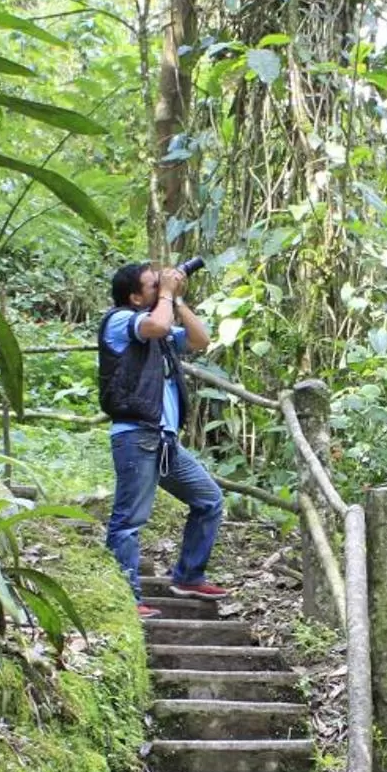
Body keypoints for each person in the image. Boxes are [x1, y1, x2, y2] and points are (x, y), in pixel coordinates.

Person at [98, 259, 226, 613]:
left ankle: (188, 576)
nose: (161, 288)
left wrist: (178, 300)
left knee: (208, 500)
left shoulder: (163, 328)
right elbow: (155, 323)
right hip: (136, 436)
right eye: (153, 286)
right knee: (129, 519)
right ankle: (127, 598)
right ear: (135, 298)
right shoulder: (121, 321)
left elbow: (201, 340)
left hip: (164, 441)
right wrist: (167, 296)